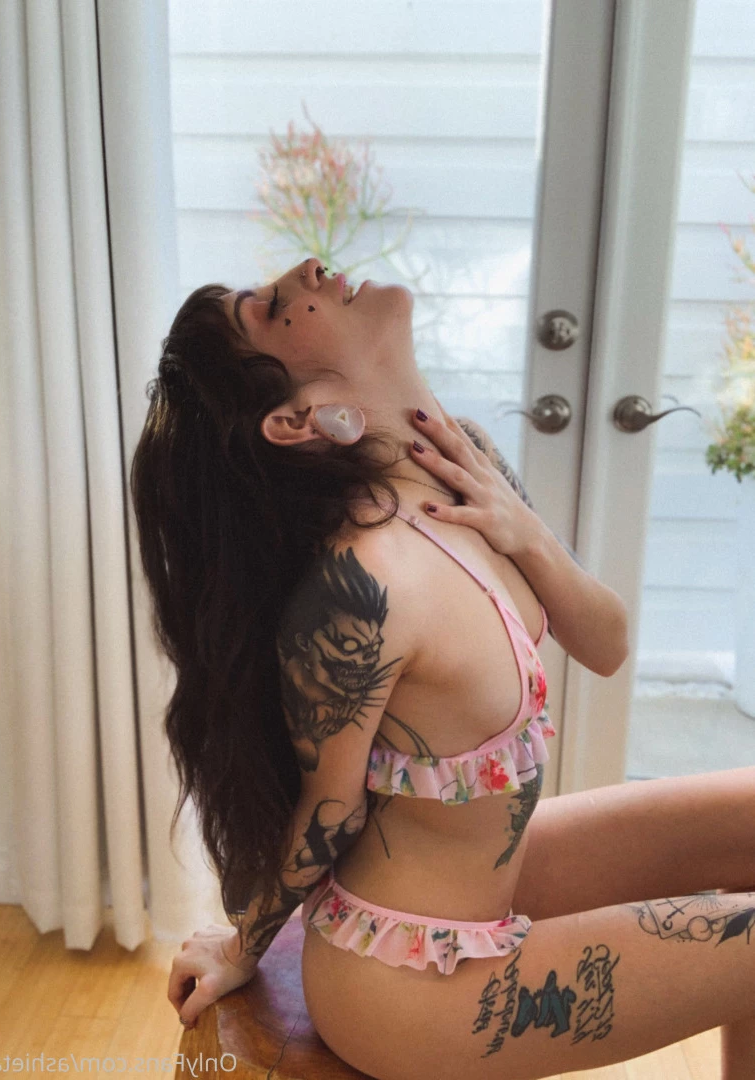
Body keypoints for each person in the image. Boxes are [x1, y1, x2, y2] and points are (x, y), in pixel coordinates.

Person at [133, 257, 755, 1080]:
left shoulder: (465, 463)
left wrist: (524, 530)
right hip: (407, 985)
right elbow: (330, 809)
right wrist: (241, 945)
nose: (308, 268)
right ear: (295, 419)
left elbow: (606, 645)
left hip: (495, 878)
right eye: (274, 304)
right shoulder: (358, 586)